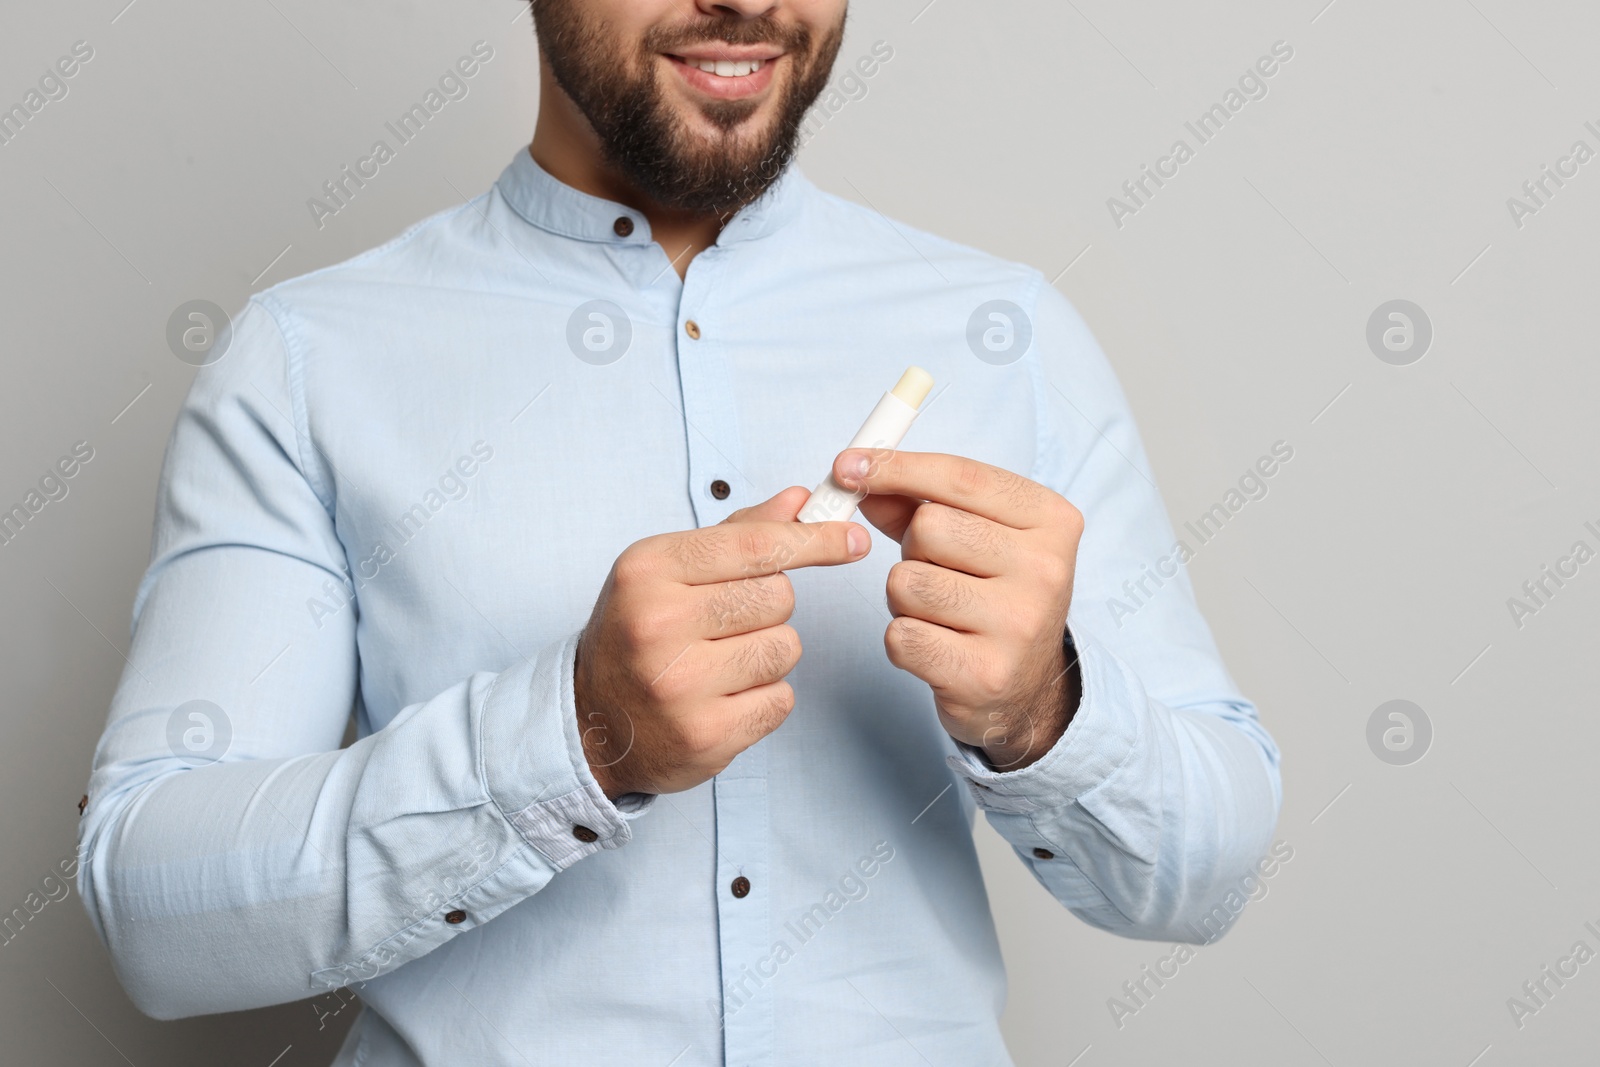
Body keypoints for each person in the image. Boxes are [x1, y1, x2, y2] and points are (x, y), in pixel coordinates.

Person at [77, 1, 1282, 1063]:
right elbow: (155, 914)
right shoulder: (306, 362)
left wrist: (1042, 712)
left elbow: (1206, 873)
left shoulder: (1003, 332)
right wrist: (572, 738)